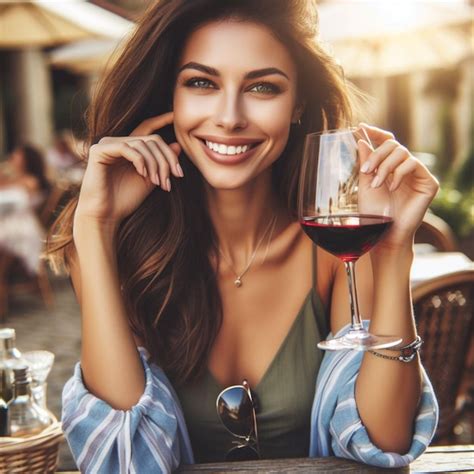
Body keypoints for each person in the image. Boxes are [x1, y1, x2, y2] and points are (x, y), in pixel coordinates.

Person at [47, 1, 439, 472]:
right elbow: (123, 454)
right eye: (201, 83)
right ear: (169, 97)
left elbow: (386, 440)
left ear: (297, 105)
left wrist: (394, 251)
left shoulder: (337, 253)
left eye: (262, 87)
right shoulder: (122, 248)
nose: (230, 117)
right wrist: (94, 226)